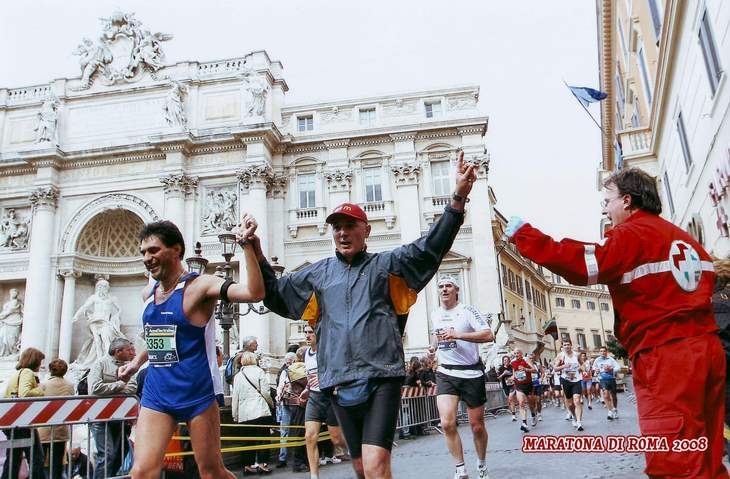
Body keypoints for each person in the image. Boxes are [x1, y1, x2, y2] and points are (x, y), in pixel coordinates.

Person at [252, 151, 477, 478]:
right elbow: (273, 293)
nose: (342, 233)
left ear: (366, 230)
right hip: (339, 383)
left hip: (381, 377)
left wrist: (457, 198)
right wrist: (255, 252)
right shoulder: (317, 274)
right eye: (337, 228)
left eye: (349, 226)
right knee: (360, 467)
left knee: (375, 466)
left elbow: (431, 246)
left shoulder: (387, 265)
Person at [505, 167, 726, 477]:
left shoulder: (630, 236)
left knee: (674, 458)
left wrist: (525, 235)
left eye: (607, 200)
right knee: (706, 452)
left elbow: (582, 265)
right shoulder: (686, 241)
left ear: (627, 200)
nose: (603, 208)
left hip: (665, 355)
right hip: (707, 349)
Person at [118, 215, 264, 479]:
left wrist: (247, 247)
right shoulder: (148, 293)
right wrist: (136, 363)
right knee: (141, 472)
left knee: (211, 472)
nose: (146, 257)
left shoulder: (200, 286)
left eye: (153, 250)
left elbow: (254, 293)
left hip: (197, 391)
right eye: (143, 252)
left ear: (176, 250)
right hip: (157, 392)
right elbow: (156, 338)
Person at [427, 277, 493, 479]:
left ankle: (481, 463)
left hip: (471, 373)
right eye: (441, 286)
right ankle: (460, 469)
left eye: (448, 286)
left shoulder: (467, 311)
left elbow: (488, 335)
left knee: (477, 425)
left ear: (456, 290)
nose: (444, 289)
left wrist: (458, 335)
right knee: (447, 423)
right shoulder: (436, 313)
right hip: (446, 372)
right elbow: (437, 336)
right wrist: (433, 348)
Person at [302, 325, 347, 479]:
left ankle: (360, 449)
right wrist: (307, 388)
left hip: (330, 397)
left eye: (310, 333)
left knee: (337, 439)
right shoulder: (306, 354)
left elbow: (339, 372)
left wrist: (327, 382)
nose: (307, 336)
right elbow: (310, 376)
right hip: (314, 399)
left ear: (318, 334)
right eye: (305, 332)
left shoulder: (327, 352)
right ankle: (314, 476)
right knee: (309, 436)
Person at [88, 338, 137, 479]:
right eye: (128, 349)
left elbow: (132, 389)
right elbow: (95, 388)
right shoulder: (100, 364)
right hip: (99, 416)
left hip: (120, 417)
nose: (132, 352)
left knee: (121, 451)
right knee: (107, 453)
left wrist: (110, 389)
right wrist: (121, 384)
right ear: (118, 351)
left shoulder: (130, 366)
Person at [2, 347, 46, 479]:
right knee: (36, 455)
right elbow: (24, 393)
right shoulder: (27, 372)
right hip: (22, 420)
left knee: (14, 457)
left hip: (13, 419)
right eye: (40, 361)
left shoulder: (19, 373)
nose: (42, 364)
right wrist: (41, 389)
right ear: (34, 360)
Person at [231, 351, 273, 476]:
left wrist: (235, 414)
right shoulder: (259, 372)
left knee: (247, 441)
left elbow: (235, 397)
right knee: (263, 438)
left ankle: (247, 466)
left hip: (245, 413)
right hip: (260, 410)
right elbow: (266, 392)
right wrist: (271, 404)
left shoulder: (238, 376)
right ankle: (262, 464)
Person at [39, 359, 75, 479]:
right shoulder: (70, 385)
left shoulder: (44, 384)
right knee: (57, 463)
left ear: (50, 370)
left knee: (41, 461)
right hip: (61, 428)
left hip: (43, 428)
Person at [554, 341, 584, 431]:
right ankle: (574, 416)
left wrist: (580, 368)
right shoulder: (560, 356)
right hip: (566, 380)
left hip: (576, 380)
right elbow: (555, 368)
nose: (567, 346)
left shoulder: (576, 355)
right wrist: (564, 366)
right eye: (565, 345)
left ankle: (579, 422)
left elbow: (582, 364)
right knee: (570, 404)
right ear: (563, 347)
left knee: (577, 400)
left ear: (571, 345)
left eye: (568, 345)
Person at [275, 351, 297, 468]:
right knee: (300, 430)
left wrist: (278, 397)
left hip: (286, 402)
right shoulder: (300, 370)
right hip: (298, 403)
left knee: (284, 432)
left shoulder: (284, 371)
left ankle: (282, 458)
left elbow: (279, 387)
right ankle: (300, 457)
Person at [510, 349, 536, 433]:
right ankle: (524, 423)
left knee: (531, 404)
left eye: (518, 353)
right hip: (518, 385)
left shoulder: (526, 359)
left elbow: (534, 370)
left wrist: (525, 369)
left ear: (521, 354)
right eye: (515, 353)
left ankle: (533, 415)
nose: (516, 354)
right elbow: (514, 372)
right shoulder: (513, 362)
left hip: (528, 384)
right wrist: (512, 377)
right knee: (521, 403)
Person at [592, 347, 621, 421]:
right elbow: (593, 367)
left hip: (611, 379)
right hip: (602, 379)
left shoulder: (611, 359)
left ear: (606, 352)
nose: (602, 352)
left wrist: (611, 369)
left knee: (613, 396)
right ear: (599, 352)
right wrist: (596, 370)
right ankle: (610, 411)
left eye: (604, 351)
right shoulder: (597, 360)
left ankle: (615, 409)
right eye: (601, 351)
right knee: (605, 394)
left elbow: (618, 367)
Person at [496, 355, 517, 420]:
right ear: (503, 361)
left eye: (507, 360)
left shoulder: (511, 367)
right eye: (505, 360)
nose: (506, 361)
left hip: (512, 385)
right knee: (510, 400)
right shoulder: (500, 368)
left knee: (511, 398)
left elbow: (514, 374)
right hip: (505, 385)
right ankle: (513, 412)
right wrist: (503, 374)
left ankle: (513, 415)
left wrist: (513, 377)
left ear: (509, 361)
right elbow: (498, 378)